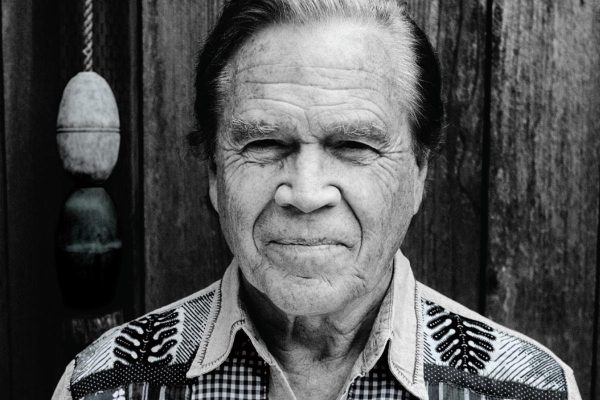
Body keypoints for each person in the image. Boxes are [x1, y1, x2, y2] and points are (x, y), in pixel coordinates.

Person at [52, 0, 581, 399]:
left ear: (419, 173)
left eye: (354, 146)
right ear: (214, 172)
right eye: (264, 143)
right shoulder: (106, 387)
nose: (305, 194)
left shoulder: (527, 390)